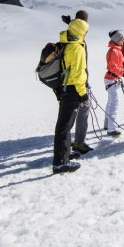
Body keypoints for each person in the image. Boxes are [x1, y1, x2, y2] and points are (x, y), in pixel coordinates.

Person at [52, 11, 90, 174]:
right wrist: (83, 93)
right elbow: (78, 73)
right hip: (73, 89)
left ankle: (65, 154)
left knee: (65, 124)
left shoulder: (67, 42)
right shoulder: (77, 48)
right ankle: (60, 163)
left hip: (65, 88)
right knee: (64, 126)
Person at [104, 30, 124, 137]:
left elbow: (117, 66)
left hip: (113, 78)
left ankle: (107, 124)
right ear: (117, 40)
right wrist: (123, 73)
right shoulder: (114, 51)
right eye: (122, 39)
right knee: (114, 103)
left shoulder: (116, 50)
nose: (123, 40)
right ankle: (112, 129)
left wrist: (122, 75)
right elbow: (112, 67)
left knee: (111, 101)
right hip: (111, 79)